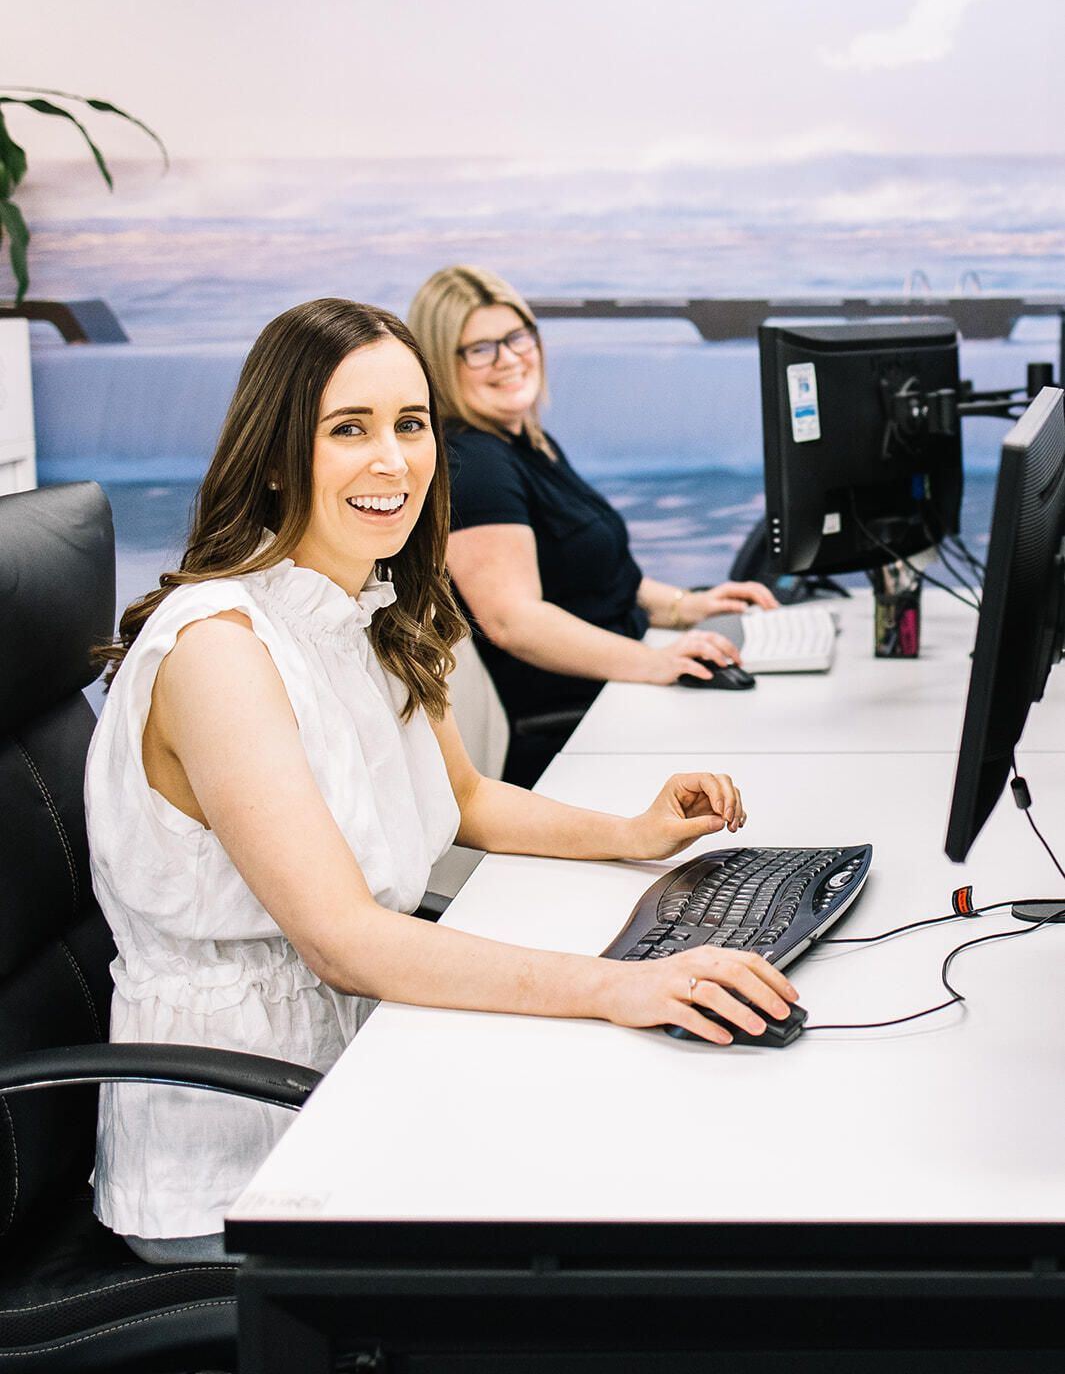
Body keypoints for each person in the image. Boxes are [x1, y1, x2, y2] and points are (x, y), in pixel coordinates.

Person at [85, 298, 798, 1263]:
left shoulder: (362, 609)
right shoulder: (221, 648)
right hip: (247, 1147)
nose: (394, 461)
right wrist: (613, 986)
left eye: (410, 424)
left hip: (364, 1060)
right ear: (272, 453)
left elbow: (462, 799)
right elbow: (343, 944)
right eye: (349, 430)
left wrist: (633, 832)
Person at [408, 265, 779, 785]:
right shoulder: (475, 466)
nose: (510, 359)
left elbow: (586, 574)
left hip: (615, 692)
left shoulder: (527, 444)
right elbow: (514, 621)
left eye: (517, 337)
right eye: (481, 348)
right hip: (577, 730)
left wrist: (685, 606)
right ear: (443, 366)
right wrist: (656, 663)